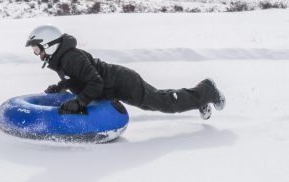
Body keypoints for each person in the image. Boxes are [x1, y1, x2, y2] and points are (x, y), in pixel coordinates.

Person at [25, 24, 225, 119]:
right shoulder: (63, 59)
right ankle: (201, 97)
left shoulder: (70, 58)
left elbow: (95, 83)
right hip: (118, 83)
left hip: (124, 83)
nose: (37, 53)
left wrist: (79, 102)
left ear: (49, 45)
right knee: (160, 100)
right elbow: (78, 79)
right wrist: (61, 86)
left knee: (165, 104)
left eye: (36, 49)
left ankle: (207, 90)